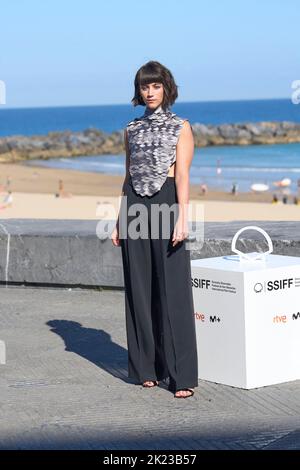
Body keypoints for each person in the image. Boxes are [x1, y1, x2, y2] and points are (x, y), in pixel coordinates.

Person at [111, 61, 198, 399]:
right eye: (144, 87)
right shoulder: (131, 128)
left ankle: (181, 377)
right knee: (140, 287)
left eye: (155, 86)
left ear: (166, 88)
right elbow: (128, 174)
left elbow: (183, 175)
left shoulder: (181, 126)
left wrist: (183, 216)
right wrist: (120, 218)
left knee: (173, 290)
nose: (149, 92)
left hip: (166, 201)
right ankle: (146, 368)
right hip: (134, 204)